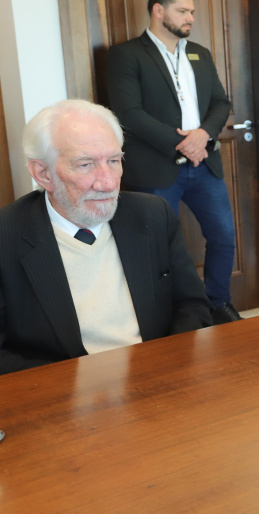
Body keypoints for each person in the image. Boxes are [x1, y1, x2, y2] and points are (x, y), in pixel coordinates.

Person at [0, 99, 212, 374]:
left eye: (114, 161)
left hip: (157, 377)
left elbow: (192, 305)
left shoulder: (152, 215)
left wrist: (164, 367)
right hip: (62, 395)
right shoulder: (8, 236)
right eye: (86, 164)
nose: (108, 182)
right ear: (43, 174)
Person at [107, 0, 241, 324]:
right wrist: (183, 143)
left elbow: (222, 103)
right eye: (183, 11)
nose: (190, 17)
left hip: (203, 165)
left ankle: (218, 305)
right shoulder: (126, 55)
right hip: (157, 167)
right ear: (158, 11)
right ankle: (168, 317)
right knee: (156, 246)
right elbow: (128, 114)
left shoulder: (200, 53)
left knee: (223, 236)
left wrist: (204, 135)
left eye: (192, 12)